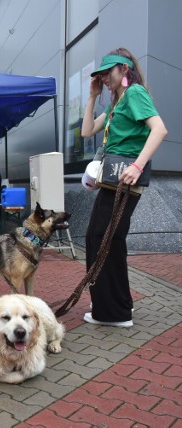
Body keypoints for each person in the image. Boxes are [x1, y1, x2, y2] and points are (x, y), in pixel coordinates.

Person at [80, 47, 167, 327]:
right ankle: (116, 304)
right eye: (101, 74)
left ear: (124, 70)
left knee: (102, 239)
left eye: (108, 72)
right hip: (113, 179)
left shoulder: (135, 94)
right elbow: (86, 131)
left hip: (125, 179)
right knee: (105, 239)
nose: (104, 77)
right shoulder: (117, 103)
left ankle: (114, 312)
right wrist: (93, 96)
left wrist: (137, 165)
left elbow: (159, 129)